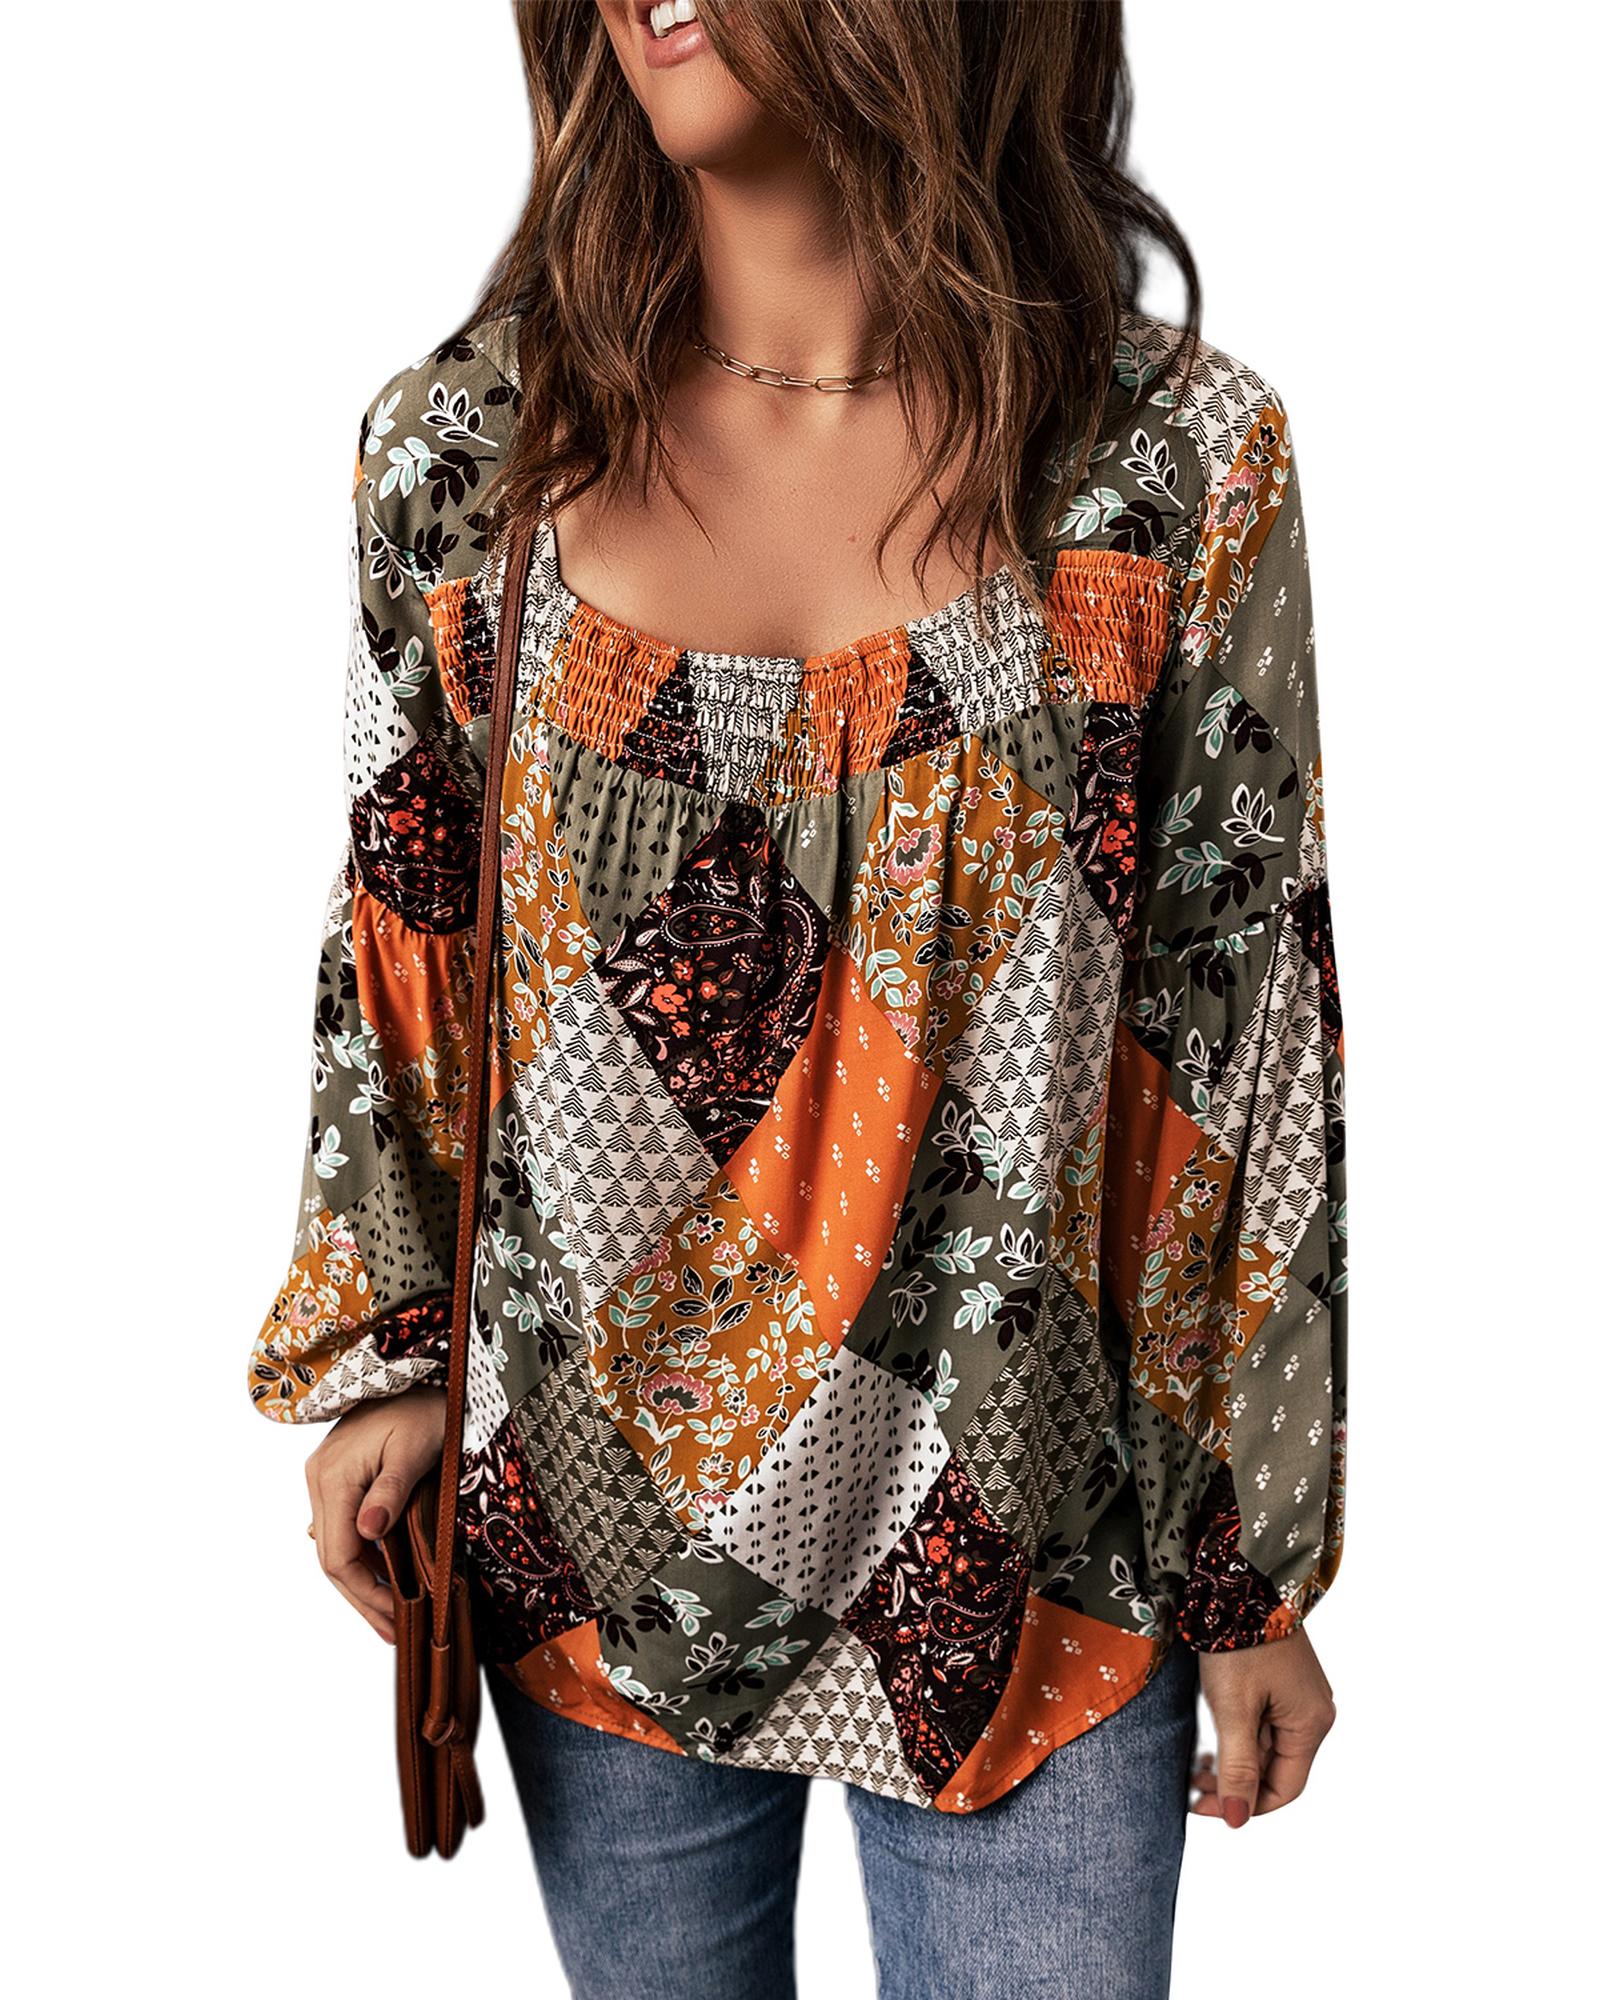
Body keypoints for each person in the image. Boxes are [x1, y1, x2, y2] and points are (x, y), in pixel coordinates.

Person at [249, 3, 1344, 1995]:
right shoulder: (469, 458)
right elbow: (402, 932)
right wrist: (386, 1355)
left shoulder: (1169, 468)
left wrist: (1245, 1562)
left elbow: (1233, 1027)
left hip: (1038, 1559)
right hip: (592, 1545)